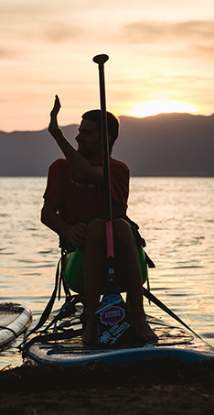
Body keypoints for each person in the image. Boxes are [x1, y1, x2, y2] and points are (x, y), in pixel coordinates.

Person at [41, 95, 157, 345]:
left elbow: (87, 173)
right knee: (95, 228)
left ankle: (138, 316)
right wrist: (68, 230)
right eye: (78, 131)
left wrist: (57, 135)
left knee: (117, 225)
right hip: (80, 264)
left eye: (86, 133)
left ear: (106, 139)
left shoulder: (118, 170)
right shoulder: (60, 168)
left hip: (124, 262)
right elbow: (47, 214)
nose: (78, 137)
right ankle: (91, 322)